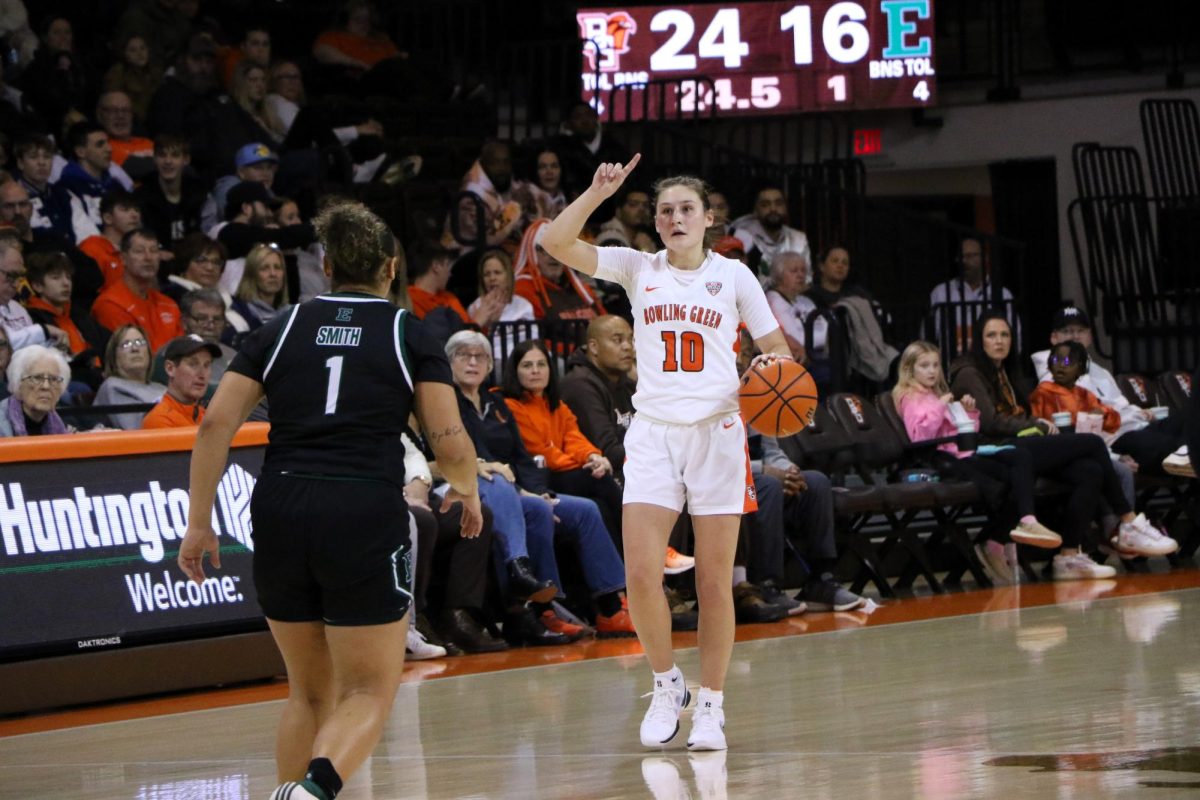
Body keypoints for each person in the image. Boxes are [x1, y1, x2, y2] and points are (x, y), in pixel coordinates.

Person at [177, 201, 483, 800]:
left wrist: (198, 523)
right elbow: (448, 440)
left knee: (308, 692)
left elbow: (215, 424)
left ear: (324, 264)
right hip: (362, 511)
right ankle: (314, 789)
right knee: (368, 689)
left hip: (283, 504)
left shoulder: (282, 325)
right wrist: (468, 490)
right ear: (390, 268)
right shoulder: (407, 331)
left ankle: (293, 792)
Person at [541, 153, 791, 751]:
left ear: (708, 218)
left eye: (686, 209)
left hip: (718, 433)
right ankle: (665, 683)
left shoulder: (734, 276)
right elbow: (554, 240)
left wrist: (766, 366)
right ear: (655, 222)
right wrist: (598, 192)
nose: (675, 217)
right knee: (641, 574)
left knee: (711, 582)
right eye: (665, 210)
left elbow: (779, 352)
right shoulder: (636, 267)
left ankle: (711, 704)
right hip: (653, 432)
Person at [949, 311, 1178, 579]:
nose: (999, 341)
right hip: (995, 450)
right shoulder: (969, 372)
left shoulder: (1007, 371)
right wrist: (1038, 424)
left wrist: (1035, 424)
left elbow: (1020, 413)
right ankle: (1127, 521)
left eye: (1005, 335)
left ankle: (1069, 556)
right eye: (991, 335)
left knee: (1091, 471)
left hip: (1023, 444)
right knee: (1091, 443)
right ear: (979, 340)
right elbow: (990, 422)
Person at [447, 330, 636, 640]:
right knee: (537, 505)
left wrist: (540, 491)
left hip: (518, 487)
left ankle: (612, 605)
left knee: (586, 510)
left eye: (479, 356)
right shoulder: (449, 402)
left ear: (489, 364)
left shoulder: (495, 403)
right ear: (449, 363)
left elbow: (522, 457)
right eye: (463, 356)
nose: (472, 363)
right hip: (477, 484)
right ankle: (543, 607)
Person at [893, 340, 1064, 583]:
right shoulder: (909, 397)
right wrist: (940, 408)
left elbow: (963, 432)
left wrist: (968, 413)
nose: (932, 371)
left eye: (935, 365)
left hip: (964, 452)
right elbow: (921, 436)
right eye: (924, 366)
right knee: (1005, 479)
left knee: (1021, 461)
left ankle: (1023, 523)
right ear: (910, 370)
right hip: (943, 460)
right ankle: (998, 539)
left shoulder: (936, 394)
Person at [501, 339, 625, 551]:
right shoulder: (510, 406)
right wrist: (582, 466)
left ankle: (626, 572)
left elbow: (573, 437)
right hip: (537, 478)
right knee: (599, 479)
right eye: (527, 365)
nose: (535, 371)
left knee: (602, 503)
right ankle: (645, 554)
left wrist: (592, 457)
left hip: (564, 472)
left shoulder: (556, 405)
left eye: (541, 364)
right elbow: (540, 450)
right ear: (515, 371)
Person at [1031, 306, 1187, 475]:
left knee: (1187, 420)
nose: (1075, 336)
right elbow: (1078, 433)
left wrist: (1140, 412)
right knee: (1175, 447)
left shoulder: (1100, 371)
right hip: (1117, 440)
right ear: (1054, 338)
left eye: (1080, 330)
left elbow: (1119, 404)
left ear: (1089, 336)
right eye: (1067, 331)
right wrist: (1113, 457)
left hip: (1138, 426)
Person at [559, 314, 636, 481]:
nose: (627, 347)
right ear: (593, 347)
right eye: (618, 340)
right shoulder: (579, 386)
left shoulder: (627, 385)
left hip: (634, 472)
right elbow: (609, 453)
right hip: (600, 479)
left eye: (630, 340)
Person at [90, 228, 184, 352]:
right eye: (139, 251)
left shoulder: (169, 304)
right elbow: (131, 357)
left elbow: (182, 352)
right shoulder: (110, 304)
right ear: (123, 259)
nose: (148, 257)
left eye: (154, 251)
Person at [24, 250, 108, 384]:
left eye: (68, 277)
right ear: (37, 286)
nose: (66, 283)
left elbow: (108, 343)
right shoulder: (33, 320)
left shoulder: (79, 315)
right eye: (56, 277)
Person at [929, 237, 1016, 354]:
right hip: (950, 363)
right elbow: (931, 334)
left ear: (984, 258)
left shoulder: (1002, 294)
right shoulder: (941, 292)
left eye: (970, 256)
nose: (964, 261)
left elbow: (1014, 334)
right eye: (961, 256)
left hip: (991, 365)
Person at [513, 221, 605, 321]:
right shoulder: (523, 290)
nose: (553, 256)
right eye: (544, 249)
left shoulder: (582, 289)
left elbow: (606, 323)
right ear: (531, 252)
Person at [136, 134, 207, 257]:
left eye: (175, 155)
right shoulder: (140, 197)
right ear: (154, 159)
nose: (167, 161)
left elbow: (207, 234)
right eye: (162, 155)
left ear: (186, 160)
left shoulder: (200, 194)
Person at [0, 236, 68, 352]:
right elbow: (3, 345)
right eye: (11, 276)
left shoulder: (18, 309)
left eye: (20, 277)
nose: (16, 285)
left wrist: (52, 345)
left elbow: (34, 347)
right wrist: (43, 331)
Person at [93, 323, 166, 429]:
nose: (135, 349)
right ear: (114, 357)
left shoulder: (161, 388)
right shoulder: (114, 386)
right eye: (126, 345)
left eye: (140, 342)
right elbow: (135, 430)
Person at [729, 185, 809, 276]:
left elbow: (807, 277)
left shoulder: (799, 238)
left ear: (786, 208)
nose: (773, 209)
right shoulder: (743, 237)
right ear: (755, 211)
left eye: (778, 203)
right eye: (765, 204)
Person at [141, 334, 217, 428]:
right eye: (193, 364)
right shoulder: (159, 419)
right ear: (170, 368)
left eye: (206, 365)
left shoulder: (206, 416)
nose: (202, 374)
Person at [764, 250, 826, 364]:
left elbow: (828, 332)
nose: (800, 275)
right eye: (794, 271)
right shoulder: (773, 300)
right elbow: (797, 340)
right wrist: (821, 339)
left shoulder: (806, 301)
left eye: (803, 270)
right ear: (779, 275)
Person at [12, 135, 74, 247]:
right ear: (20, 163)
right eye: (33, 157)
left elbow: (84, 232)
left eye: (47, 157)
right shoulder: (13, 198)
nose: (42, 162)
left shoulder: (63, 193)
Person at [0, 343, 72, 436]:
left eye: (53, 379)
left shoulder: (62, 428)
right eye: (37, 378)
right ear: (18, 383)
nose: (46, 386)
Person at [78, 189, 142, 289]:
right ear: (108, 218)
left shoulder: (139, 250)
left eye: (136, 210)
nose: (134, 215)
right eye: (125, 209)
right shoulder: (92, 249)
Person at [466, 248, 534, 337]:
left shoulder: (524, 306)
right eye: (487, 274)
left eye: (497, 273)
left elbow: (532, 339)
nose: (492, 278)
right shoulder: (475, 308)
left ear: (508, 276)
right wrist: (487, 325)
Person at [103, 34, 163, 124]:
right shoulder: (118, 73)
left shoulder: (155, 71)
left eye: (142, 48)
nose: (140, 54)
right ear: (124, 54)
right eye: (133, 50)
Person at [96, 91, 155, 178]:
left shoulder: (147, 142)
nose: (120, 115)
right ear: (100, 116)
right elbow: (136, 168)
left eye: (126, 110)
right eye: (113, 110)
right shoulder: (102, 145)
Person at [232, 242, 291, 329]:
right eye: (265, 268)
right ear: (252, 274)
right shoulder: (241, 312)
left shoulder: (291, 312)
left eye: (277, 267)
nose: (273, 274)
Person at [599, 187, 656, 253]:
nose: (641, 209)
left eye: (646, 205)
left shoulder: (642, 238)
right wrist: (645, 250)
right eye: (633, 204)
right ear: (619, 211)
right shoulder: (611, 239)